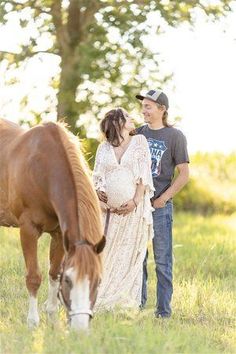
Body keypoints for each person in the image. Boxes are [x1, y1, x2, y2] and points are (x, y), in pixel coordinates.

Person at [93, 107, 155, 311]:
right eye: (127, 117)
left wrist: (135, 201)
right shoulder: (103, 147)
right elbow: (97, 177)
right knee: (106, 253)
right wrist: (99, 198)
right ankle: (101, 297)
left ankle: (123, 302)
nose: (132, 119)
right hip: (107, 213)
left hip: (132, 211)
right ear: (117, 123)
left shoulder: (139, 142)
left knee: (128, 254)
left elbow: (144, 176)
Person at [135, 89, 189, 318]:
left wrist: (163, 199)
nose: (143, 110)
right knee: (138, 261)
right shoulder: (137, 134)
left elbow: (184, 174)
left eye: (148, 106)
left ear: (162, 110)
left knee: (163, 262)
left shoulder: (175, 136)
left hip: (160, 208)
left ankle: (163, 313)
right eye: (143, 106)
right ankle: (138, 307)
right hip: (137, 206)